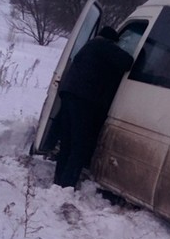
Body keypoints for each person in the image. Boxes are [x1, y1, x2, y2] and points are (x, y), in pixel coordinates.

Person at [53, 26, 134, 188]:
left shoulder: (89, 46)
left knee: (67, 141)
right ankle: (67, 185)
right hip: (83, 100)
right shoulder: (103, 46)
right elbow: (128, 62)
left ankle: (58, 181)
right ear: (111, 41)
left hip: (69, 95)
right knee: (80, 144)